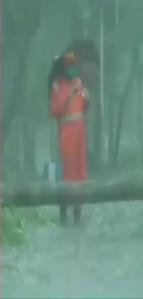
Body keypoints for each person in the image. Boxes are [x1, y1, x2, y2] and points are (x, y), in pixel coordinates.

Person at [50, 51, 89, 225]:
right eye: (70, 66)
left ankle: (78, 214)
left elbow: (84, 106)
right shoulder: (57, 86)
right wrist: (70, 97)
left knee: (80, 171)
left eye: (75, 65)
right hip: (66, 131)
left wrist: (86, 98)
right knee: (68, 171)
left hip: (80, 130)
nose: (73, 69)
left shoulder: (79, 82)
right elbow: (56, 111)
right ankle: (63, 213)